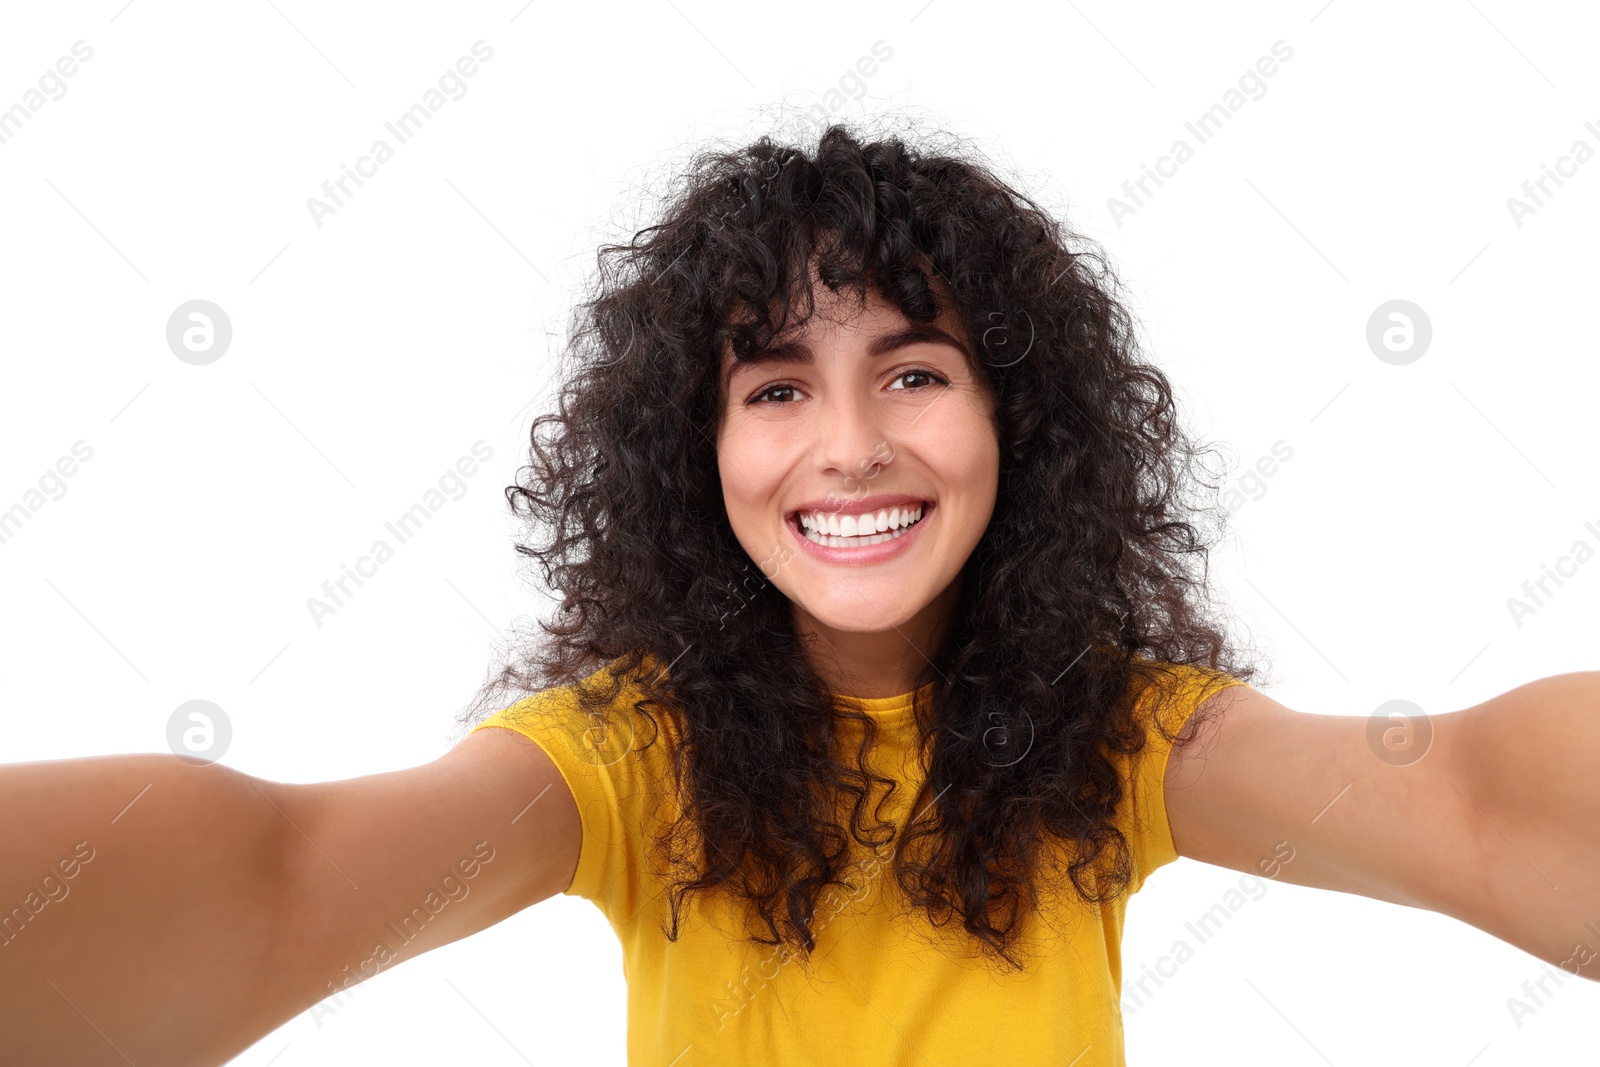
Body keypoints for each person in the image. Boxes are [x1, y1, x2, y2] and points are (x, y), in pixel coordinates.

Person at [3, 121, 1597, 1067]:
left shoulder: (1118, 738)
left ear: (1016, 424)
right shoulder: (626, 758)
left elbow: (1462, 799)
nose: (849, 448)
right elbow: (283, 876)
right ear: (689, 451)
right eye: (774, 390)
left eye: (913, 370)